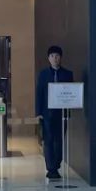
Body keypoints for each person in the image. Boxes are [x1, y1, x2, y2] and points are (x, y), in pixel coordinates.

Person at [35, 44, 74, 180]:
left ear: (60, 57)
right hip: (47, 113)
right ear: (48, 58)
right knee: (48, 140)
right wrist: (38, 112)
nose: (55, 58)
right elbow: (39, 93)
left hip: (62, 114)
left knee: (59, 140)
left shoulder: (68, 74)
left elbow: (71, 93)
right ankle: (51, 168)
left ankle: (56, 164)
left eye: (57, 56)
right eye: (52, 56)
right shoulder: (43, 74)